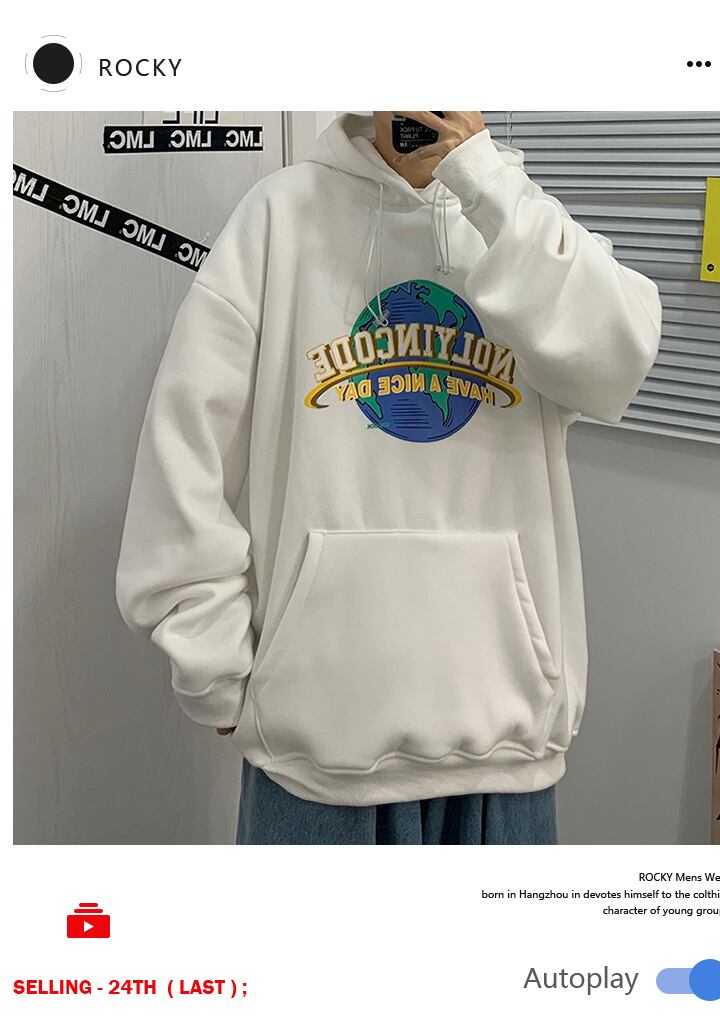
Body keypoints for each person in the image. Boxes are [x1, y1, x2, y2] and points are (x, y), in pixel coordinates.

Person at [115, 111, 662, 845]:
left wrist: (483, 180)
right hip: (317, 747)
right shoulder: (279, 217)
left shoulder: (519, 221)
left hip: (506, 741)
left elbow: (619, 359)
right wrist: (209, 659)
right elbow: (185, 450)